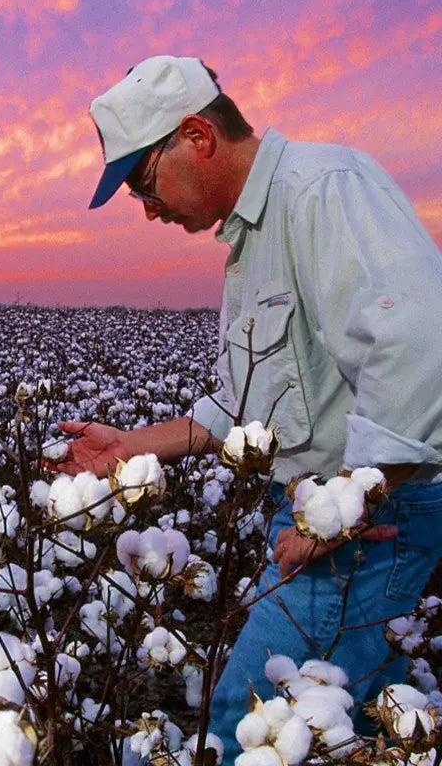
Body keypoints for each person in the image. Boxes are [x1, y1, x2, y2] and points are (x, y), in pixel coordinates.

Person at [53, 55, 442, 760]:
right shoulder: (251, 243)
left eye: (144, 183)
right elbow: (246, 412)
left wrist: (344, 509)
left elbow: (418, 340)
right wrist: (130, 446)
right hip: (332, 513)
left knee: (248, 721)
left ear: (197, 136)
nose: (147, 208)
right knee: (357, 717)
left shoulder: (321, 188)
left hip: (368, 521)